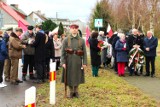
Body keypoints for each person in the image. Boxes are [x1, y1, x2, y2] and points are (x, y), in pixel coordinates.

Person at [61, 24, 87, 98]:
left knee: (77, 76)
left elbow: (84, 52)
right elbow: (62, 52)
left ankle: (76, 91)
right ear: (70, 29)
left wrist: (84, 62)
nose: (74, 29)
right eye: (73, 28)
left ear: (77, 29)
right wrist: (63, 62)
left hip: (78, 61)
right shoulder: (66, 39)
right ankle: (71, 91)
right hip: (68, 61)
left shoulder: (81, 40)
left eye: (76, 28)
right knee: (69, 76)